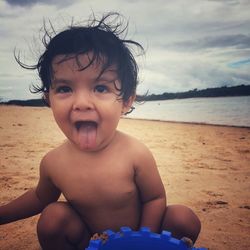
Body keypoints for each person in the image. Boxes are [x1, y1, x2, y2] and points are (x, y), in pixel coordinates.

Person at [0, 13, 201, 250]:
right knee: (53, 218)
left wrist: (143, 239)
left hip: (142, 234)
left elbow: (154, 199)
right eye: (65, 88)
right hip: (92, 242)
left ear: (126, 101)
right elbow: (40, 198)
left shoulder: (135, 153)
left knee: (183, 218)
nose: (82, 102)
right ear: (49, 99)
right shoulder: (53, 162)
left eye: (100, 87)